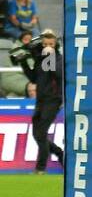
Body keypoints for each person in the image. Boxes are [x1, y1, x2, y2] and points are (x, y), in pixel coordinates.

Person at [10, 29, 63, 172]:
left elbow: (57, 75)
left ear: (55, 45)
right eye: (45, 44)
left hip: (53, 100)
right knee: (37, 134)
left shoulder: (59, 59)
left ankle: (40, 168)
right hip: (41, 100)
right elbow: (34, 78)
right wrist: (24, 63)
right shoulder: (42, 60)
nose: (47, 46)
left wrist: (49, 56)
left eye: (51, 44)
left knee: (41, 132)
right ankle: (60, 153)